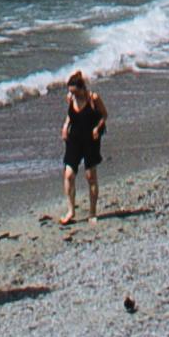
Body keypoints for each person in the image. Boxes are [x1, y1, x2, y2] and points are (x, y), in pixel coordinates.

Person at [58, 70, 107, 227]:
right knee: (69, 174)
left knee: (90, 176)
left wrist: (96, 129)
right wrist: (65, 126)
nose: (72, 94)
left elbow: (104, 115)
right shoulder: (71, 98)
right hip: (74, 139)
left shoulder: (93, 98)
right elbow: (70, 115)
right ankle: (71, 210)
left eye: (75, 91)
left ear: (81, 88)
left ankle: (92, 212)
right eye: (70, 91)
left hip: (90, 140)